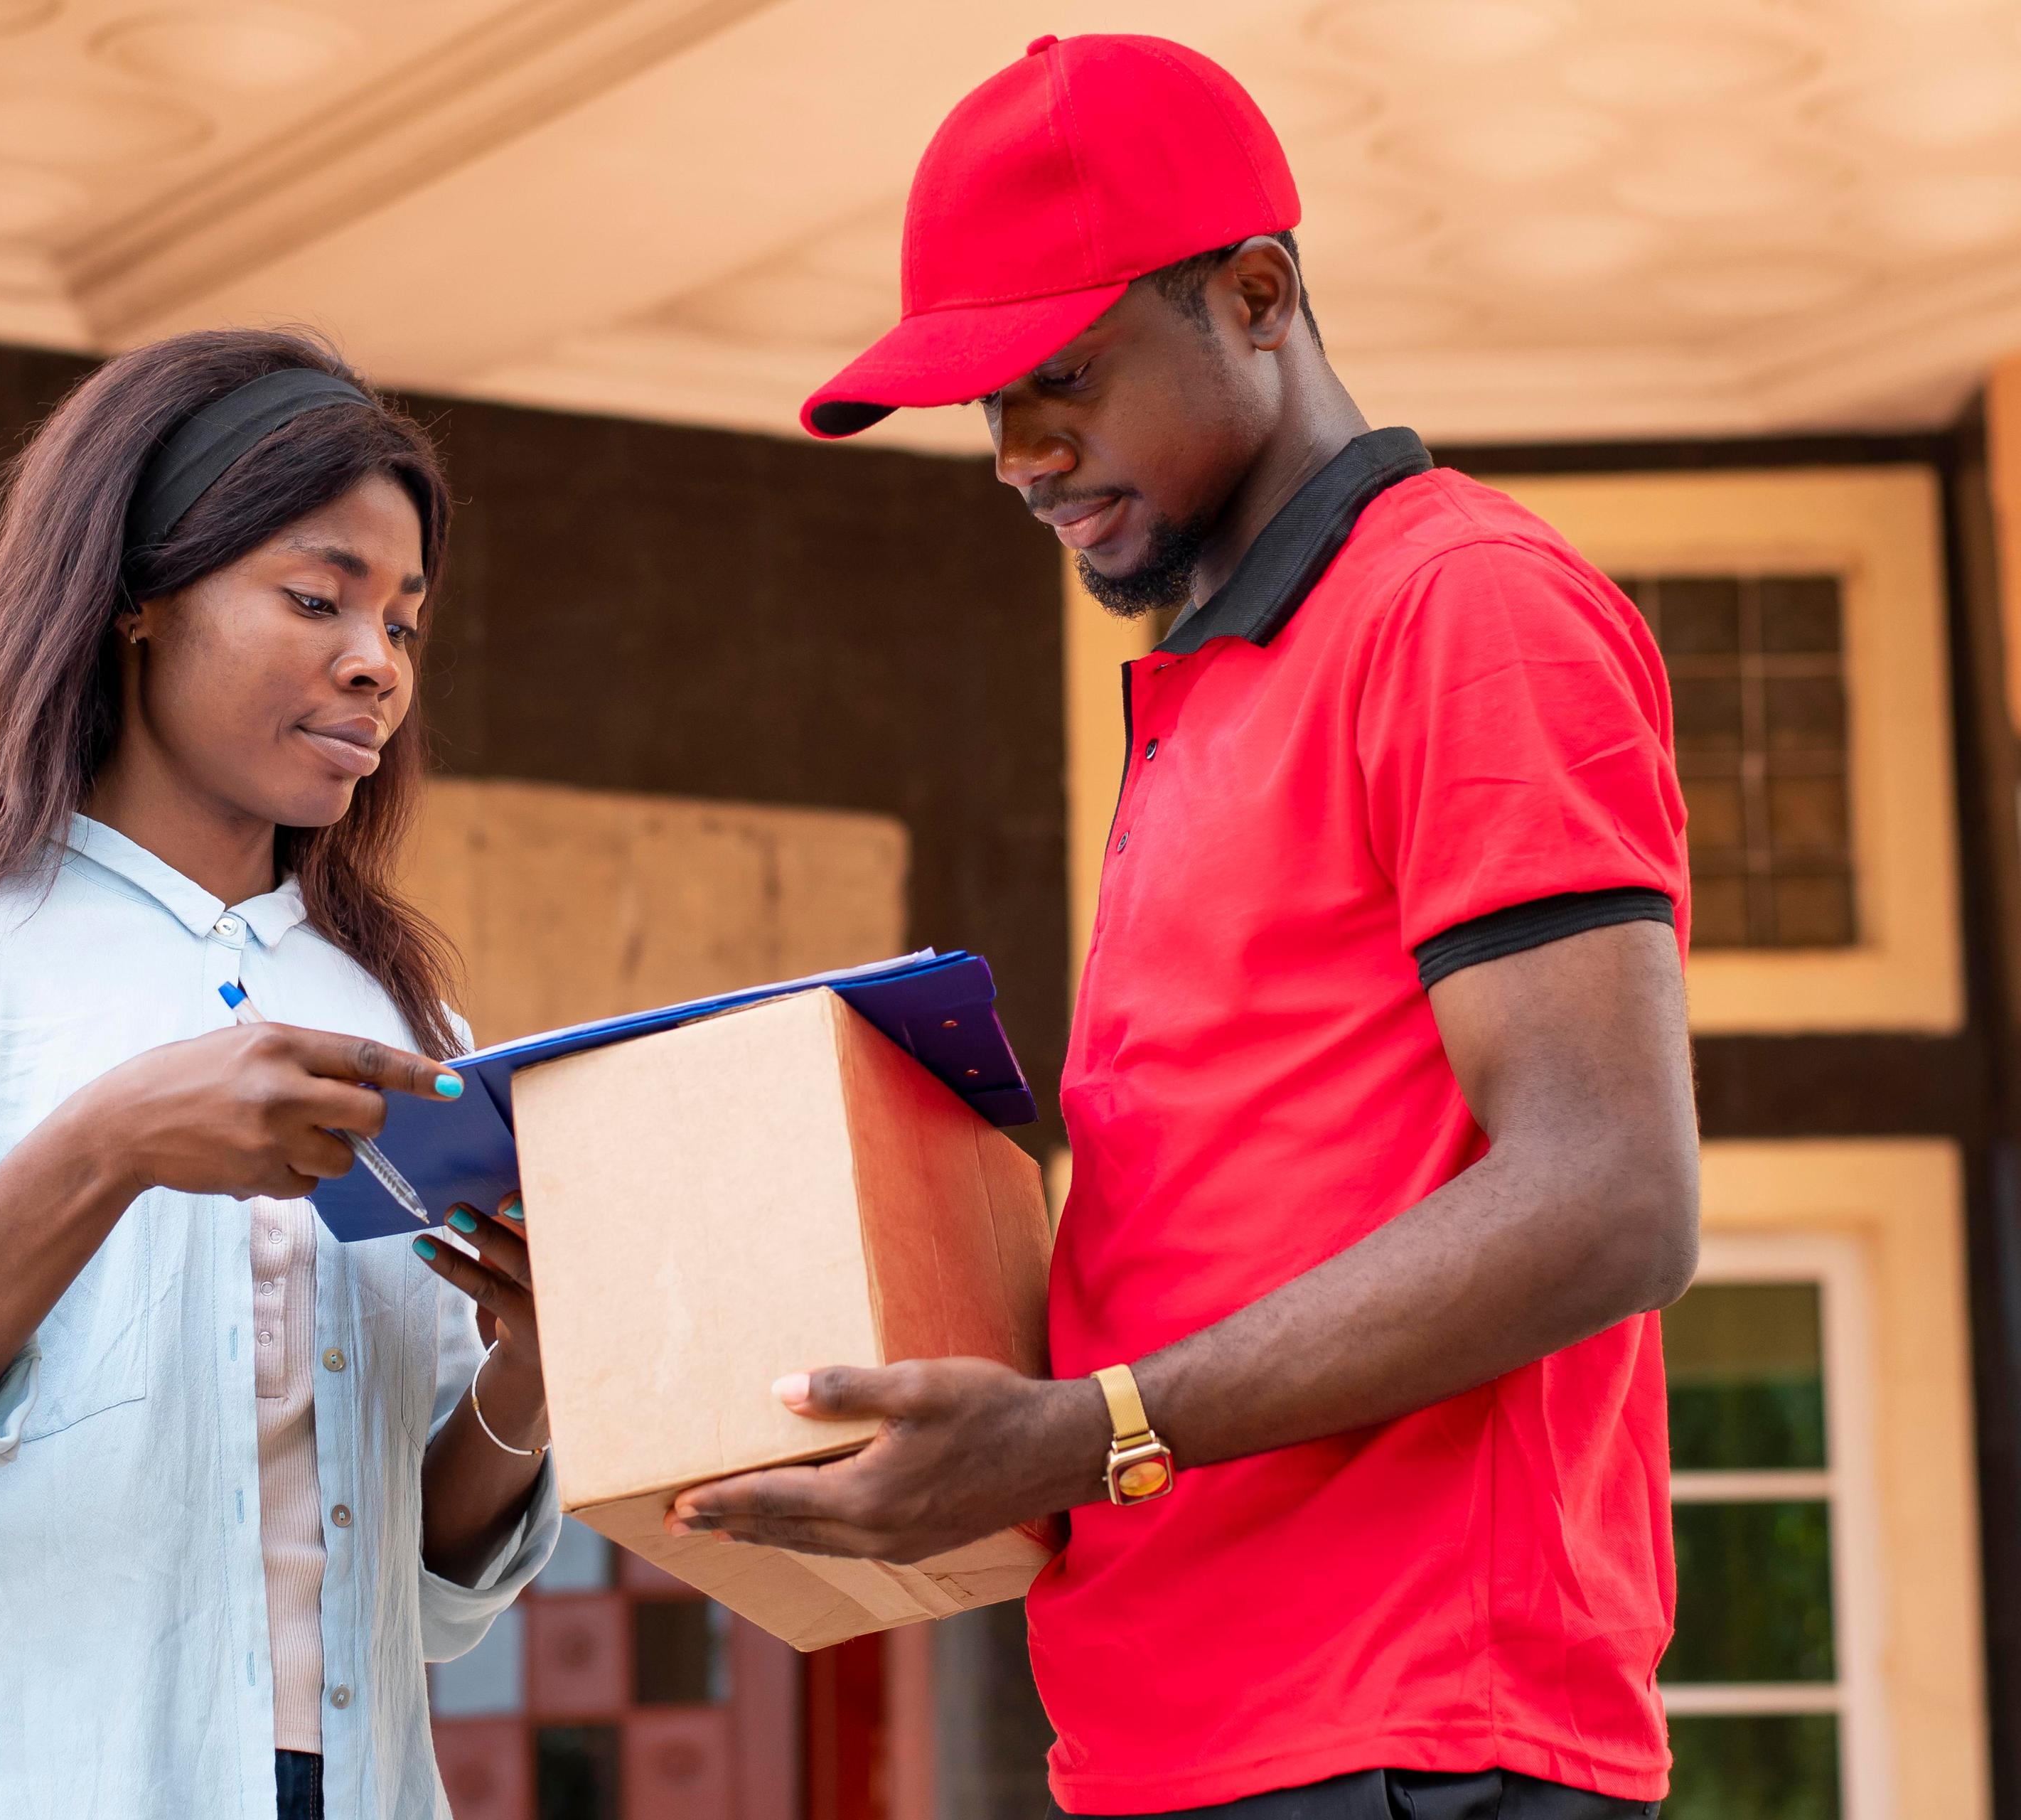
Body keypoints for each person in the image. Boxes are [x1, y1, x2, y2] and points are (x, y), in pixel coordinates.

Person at [668, 35, 1695, 1820]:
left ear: (1257, 295)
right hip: (1177, 1738)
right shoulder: (1212, 686)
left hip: (1403, 1736)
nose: (1016, 453)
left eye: (1060, 376)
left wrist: (1090, 1429)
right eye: (985, 406)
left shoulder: (1464, 612)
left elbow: (1611, 1188)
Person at [0, 330, 557, 1820]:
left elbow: (433, 1601)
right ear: (137, 598)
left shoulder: (409, 1020)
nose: (376, 661)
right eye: (317, 596)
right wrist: (102, 1149)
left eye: (404, 624)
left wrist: (537, 1366)